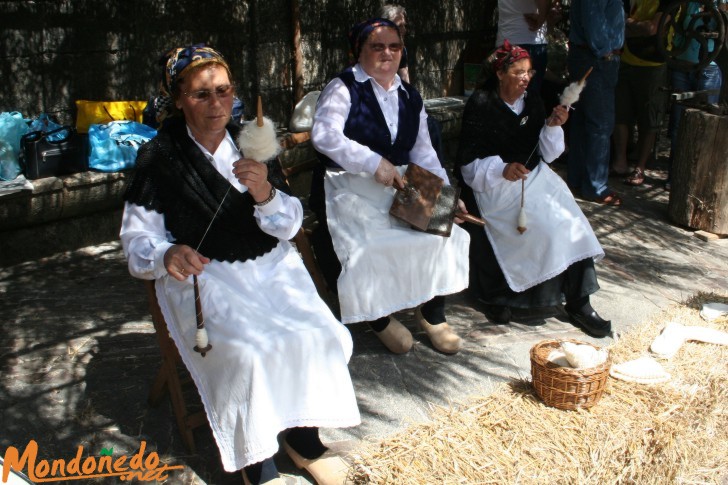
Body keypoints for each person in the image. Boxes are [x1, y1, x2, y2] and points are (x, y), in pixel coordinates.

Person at [119, 44, 360, 485]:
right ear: (177, 99)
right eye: (200, 95)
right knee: (249, 355)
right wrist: (167, 253)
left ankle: (304, 439)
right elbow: (136, 243)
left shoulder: (254, 140)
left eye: (223, 91)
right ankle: (257, 459)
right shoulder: (159, 157)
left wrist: (266, 193)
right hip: (205, 276)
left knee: (320, 335)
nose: (216, 105)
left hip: (269, 268)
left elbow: (288, 227)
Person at [310, 18, 470, 355]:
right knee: (372, 246)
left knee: (448, 232)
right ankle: (378, 316)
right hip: (352, 186)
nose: (387, 53)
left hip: (404, 183)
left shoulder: (409, 95)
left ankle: (431, 311)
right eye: (377, 46)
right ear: (359, 51)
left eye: (394, 47)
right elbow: (324, 136)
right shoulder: (343, 87)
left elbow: (423, 151)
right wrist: (373, 162)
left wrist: (445, 195)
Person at [454, 41, 612, 338]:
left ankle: (580, 301)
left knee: (570, 223)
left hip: (533, 177)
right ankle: (501, 297)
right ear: (500, 73)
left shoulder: (534, 101)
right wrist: (502, 169)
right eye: (518, 72)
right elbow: (467, 163)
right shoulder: (481, 104)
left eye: (529, 72)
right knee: (539, 229)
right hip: (492, 184)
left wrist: (554, 125)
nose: (525, 78)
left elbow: (548, 153)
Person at [567, 0, 625, 205]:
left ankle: (578, 179)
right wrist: (606, 52)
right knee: (600, 124)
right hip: (595, 58)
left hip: (589, 56)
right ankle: (595, 187)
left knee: (583, 120)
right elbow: (593, 21)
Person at [666, 0, 725, 190]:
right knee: (678, 124)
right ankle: (675, 176)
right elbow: (676, 31)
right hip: (682, 66)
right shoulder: (688, 4)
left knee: (706, 123)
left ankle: (702, 180)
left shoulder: (720, 4)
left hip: (708, 67)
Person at [610, 0, 669, 186]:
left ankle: (640, 168)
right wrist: (635, 26)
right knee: (621, 113)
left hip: (653, 66)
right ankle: (620, 162)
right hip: (626, 61)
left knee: (649, 119)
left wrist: (628, 23)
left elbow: (652, 28)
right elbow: (619, 27)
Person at [496, 0, 552, 96]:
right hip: (528, 42)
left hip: (508, 41)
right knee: (528, 99)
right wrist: (541, 20)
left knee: (507, 96)